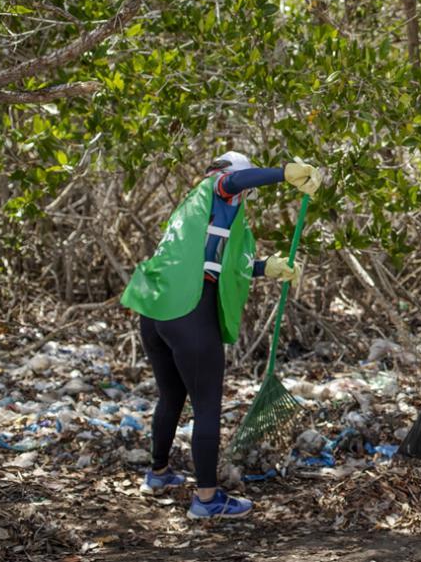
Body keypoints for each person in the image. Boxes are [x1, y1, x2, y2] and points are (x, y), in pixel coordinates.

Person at [121, 152, 322, 519]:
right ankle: (207, 499)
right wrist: (284, 174)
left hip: (155, 312)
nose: (243, 195)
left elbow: (224, 265)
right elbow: (231, 182)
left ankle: (159, 473)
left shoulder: (198, 211)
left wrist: (268, 268)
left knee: (172, 395)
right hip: (189, 310)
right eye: (242, 187)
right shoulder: (216, 189)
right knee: (208, 406)